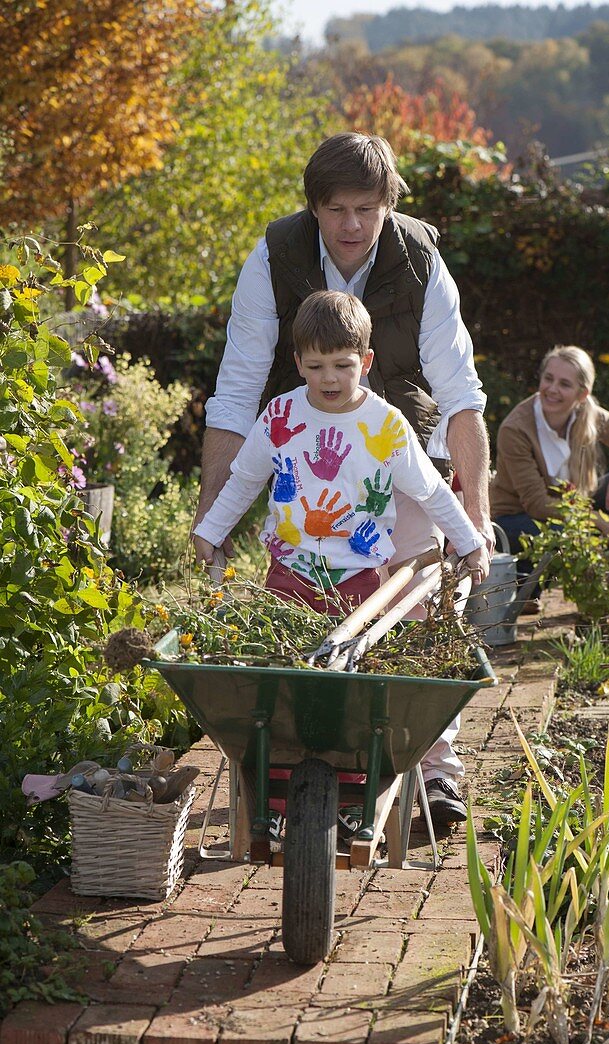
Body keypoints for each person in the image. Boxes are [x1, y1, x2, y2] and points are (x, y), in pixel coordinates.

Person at [194, 131, 495, 823]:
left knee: (420, 602)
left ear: (388, 203)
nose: (352, 226)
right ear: (314, 208)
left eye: (367, 208)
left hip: (401, 447)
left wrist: (472, 511)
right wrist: (215, 517)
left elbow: (460, 395)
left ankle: (437, 769)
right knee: (298, 607)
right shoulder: (273, 257)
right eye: (335, 210)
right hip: (307, 449)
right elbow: (238, 392)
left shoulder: (421, 261)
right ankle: (304, 762)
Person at [490, 344, 609, 593]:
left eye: (564, 384)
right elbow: (537, 504)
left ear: (582, 394)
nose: (552, 389)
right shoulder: (515, 429)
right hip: (518, 519)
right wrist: (597, 521)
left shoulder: (589, 414)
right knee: (565, 535)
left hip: (575, 510)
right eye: (548, 379)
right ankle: (541, 582)